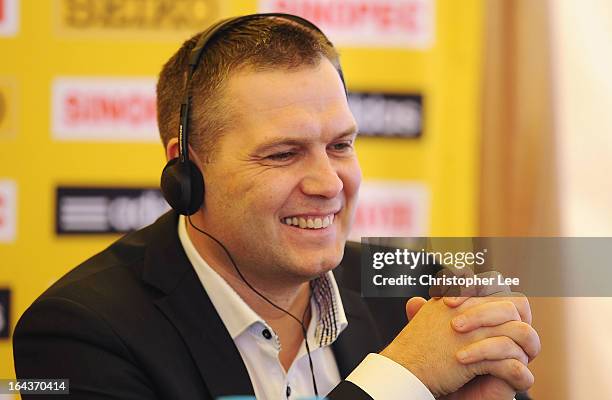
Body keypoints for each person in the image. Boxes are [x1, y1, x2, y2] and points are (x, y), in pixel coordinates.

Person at [13, 13, 540, 400]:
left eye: (340, 146)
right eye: (283, 153)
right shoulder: (76, 332)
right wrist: (404, 378)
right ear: (187, 172)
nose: (327, 182)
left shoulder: (417, 285)